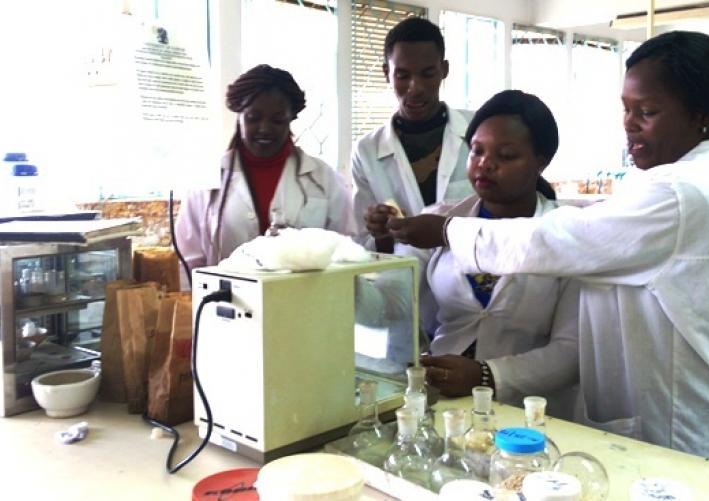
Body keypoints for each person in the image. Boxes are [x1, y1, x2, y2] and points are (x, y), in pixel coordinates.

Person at [388, 31, 709, 467]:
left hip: (685, 433)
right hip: (662, 423)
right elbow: (399, 296)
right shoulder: (688, 181)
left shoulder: (680, 193)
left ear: (701, 118)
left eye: (647, 112)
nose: (629, 124)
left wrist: (447, 232)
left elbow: (555, 240)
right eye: (626, 108)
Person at [361, 90, 579, 416]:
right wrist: (381, 245)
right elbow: (391, 304)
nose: (485, 165)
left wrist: (486, 375)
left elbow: (571, 352)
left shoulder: (568, 233)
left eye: (505, 155)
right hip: (441, 400)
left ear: (541, 161)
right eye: (476, 151)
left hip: (530, 412)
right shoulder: (439, 219)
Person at [176, 65, 355, 276]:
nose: (264, 128)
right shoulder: (208, 180)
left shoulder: (323, 178)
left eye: (277, 120)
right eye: (253, 118)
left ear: (290, 119)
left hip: (308, 302)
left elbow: (348, 249)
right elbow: (187, 261)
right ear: (239, 117)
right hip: (225, 304)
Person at [351, 17, 474, 252]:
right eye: (402, 75)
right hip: (402, 283)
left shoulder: (477, 132)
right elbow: (364, 248)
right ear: (387, 73)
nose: (415, 88)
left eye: (427, 74)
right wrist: (380, 233)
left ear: (444, 70)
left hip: (468, 281)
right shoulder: (366, 151)